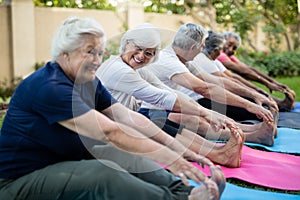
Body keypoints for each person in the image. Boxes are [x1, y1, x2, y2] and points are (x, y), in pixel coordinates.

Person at [0, 16, 225, 200]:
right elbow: (109, 132)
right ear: (63, 54)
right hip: (17, 182)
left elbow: (127, 117)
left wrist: (178, 149)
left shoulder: (87, 81)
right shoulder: (49, 86)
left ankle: (186, 193)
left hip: (63, 159)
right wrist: (172, 159)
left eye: (100, 52)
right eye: (89, 52)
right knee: (101, 175)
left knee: (118, 153)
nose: (97, 60)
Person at [96, 23, 245, 168]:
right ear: (127, 43)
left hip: (122, 124)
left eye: (148, 53)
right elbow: (161, 97)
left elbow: (168, 91)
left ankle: (218, 151)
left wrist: (209, 113)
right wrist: (206, 113)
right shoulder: (119, 70)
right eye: (138, 48)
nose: (141, 56)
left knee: (157, 116)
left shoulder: (133, 67)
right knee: (152, 120)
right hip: (107, 135)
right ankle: (218, 154)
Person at [146, 23, 276, 146]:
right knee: (195, 119)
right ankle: (253, 136)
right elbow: (204, 89)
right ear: (193, 47)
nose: (203, 49)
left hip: (169, 107)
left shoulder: (182, 60)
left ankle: (254, 129)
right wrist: (248, 104)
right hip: (151, 112)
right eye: (202, 45)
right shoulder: (168, 62)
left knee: (202, 114)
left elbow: (217, 81)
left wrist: (253, 95)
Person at [187, 30, 279, 145]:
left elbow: (228, 80)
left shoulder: (203, 60)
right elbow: (219, 84)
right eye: (221, 49)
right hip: (199, 101)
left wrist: (256, 93)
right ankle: (257, 132)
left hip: (201, 98)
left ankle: (259, 129)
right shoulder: (200, 59)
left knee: (256, 104)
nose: (222, 53)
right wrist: (252, 98)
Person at [217, 31, 296, 111]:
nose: (230, 49)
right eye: (229, 44)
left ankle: (278, 103)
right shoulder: (219, 54)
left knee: (240, 82)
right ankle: (279, 103)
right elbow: (243, 72)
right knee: (238, 82)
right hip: (219, 89)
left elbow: (248, 69)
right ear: (223, 40)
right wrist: (267, 83)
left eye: (234, 48)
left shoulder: (228, 55)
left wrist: (273, 82)